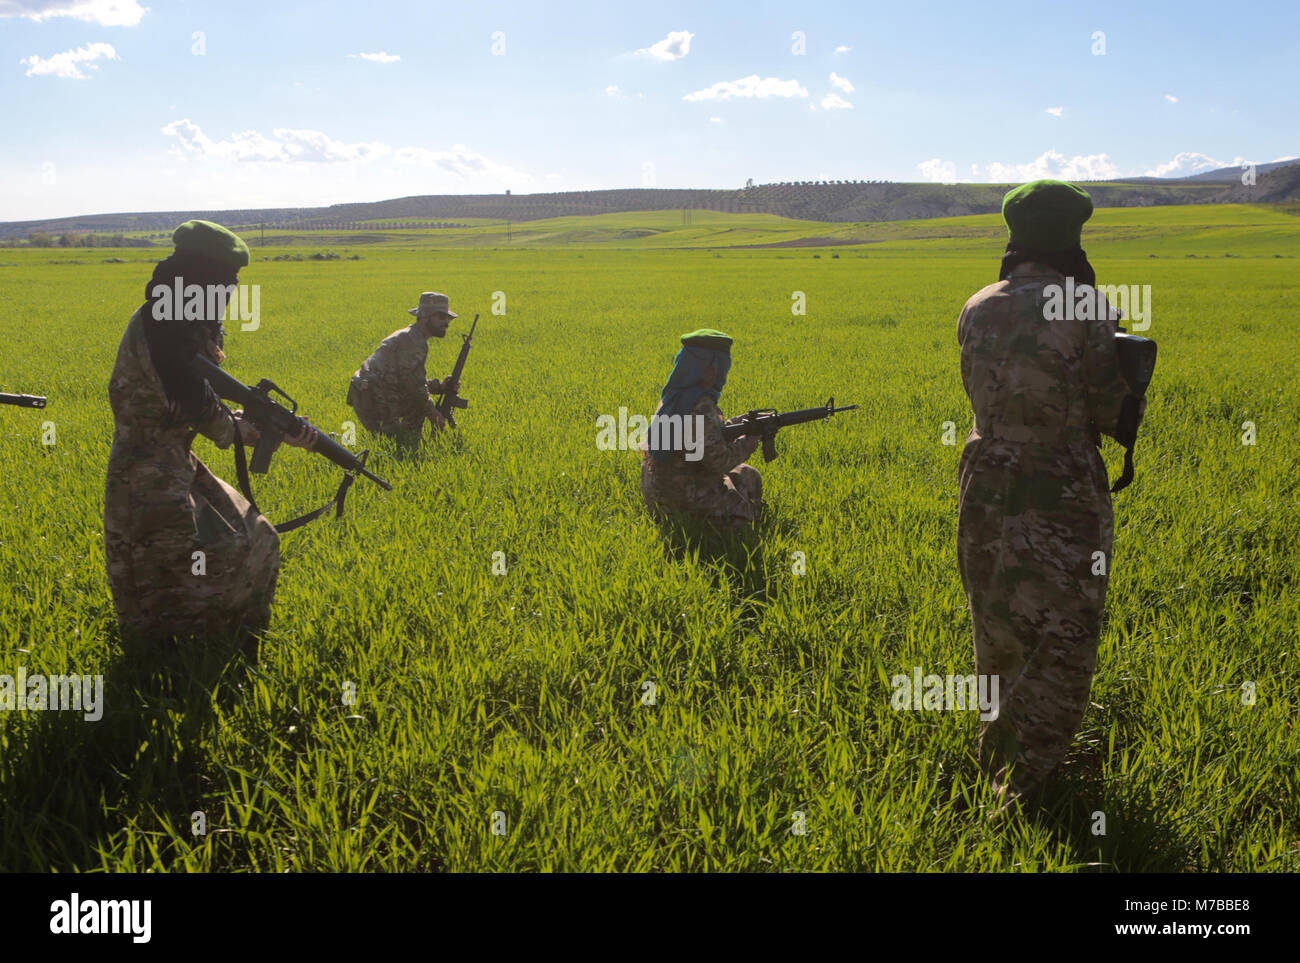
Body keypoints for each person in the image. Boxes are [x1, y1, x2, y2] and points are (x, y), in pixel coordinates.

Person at [956, 180, 1142, 816]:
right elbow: (1110, 408)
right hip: (1058, 476)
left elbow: (978, 392)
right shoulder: (1087, 306)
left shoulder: (978, 305)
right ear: (1073, 235)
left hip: (984, 475)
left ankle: (996, 748)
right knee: (1064, 630)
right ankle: (1025, 794)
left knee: (997, 619)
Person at [104, 220, 316, 659]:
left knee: (259, 540)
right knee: (166, 584)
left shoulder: (185, 322)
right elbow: (193, 401)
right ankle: (167, 676)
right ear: (197, 276)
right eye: (224, 282)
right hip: (145, 473)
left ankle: (240, 649)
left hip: (177, 460)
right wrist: (241, 429)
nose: (230, 293)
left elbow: (206, 402)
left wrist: (271, 427)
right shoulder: (161, 325)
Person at [641, 329, 762, 528]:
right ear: (710, 368)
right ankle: (726, 527)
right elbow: (719, 462)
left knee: (745, 473)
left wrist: (739, 424)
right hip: (685, 500)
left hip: (658, 498)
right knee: (748, 505)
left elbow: (703, 437)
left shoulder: (672, 399)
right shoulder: (701, 406)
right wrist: (749, 442)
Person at [347, 291, 459, 440]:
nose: (446, 322)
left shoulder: (413, 336)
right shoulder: (413, 341)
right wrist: (435, 415)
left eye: (448, 318)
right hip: (371, 396)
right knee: (393, 442)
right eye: (441, 317)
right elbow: (416, 388)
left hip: (375, 392)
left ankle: (410, 438)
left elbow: (409, 380)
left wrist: (439, 387)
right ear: (425, 317)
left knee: (412, 419)